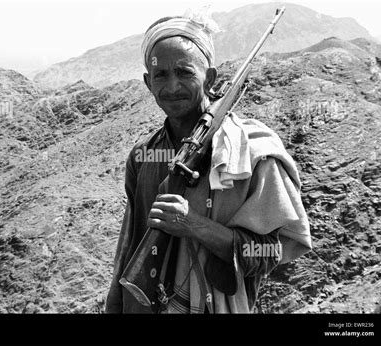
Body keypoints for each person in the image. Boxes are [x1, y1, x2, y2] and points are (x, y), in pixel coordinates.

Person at [106, 12, 312, 314]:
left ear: (210, 78)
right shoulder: (144, 154)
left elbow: (269, 252)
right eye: (161, 75)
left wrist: (193, 224)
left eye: (185, 72)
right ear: (148, 83)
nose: (172, 86)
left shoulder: (255, 150)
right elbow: (129, 247)